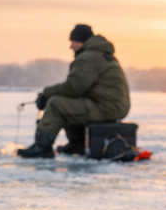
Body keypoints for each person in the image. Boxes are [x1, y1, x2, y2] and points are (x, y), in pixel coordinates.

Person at [17, 24, 131, 158]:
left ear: (80, 42)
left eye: (72, 42)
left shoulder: (89, 57)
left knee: (57, 104)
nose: (70, 46)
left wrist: (47, 94)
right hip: (110, 106)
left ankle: (42, 147)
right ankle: (77, 145)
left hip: (106, 107)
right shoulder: (99, 54)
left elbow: (74, 87)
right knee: (71, 104)